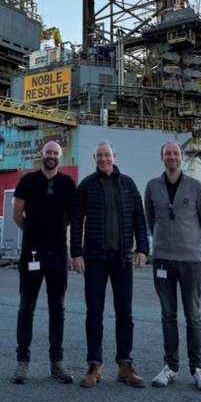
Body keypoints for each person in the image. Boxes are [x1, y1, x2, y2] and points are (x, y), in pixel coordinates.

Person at [71, 141, 149, 388]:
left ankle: (125, 365)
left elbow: (139, 217)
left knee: (125, 313)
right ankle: (94, 365)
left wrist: (143, 250)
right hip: (94, 259)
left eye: (107, 155)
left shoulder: (128, 184)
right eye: (100, 155)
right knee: (94, 313)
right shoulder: (86, 185)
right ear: (94, 158)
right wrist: (76, 254)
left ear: (114, 156)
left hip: (123, 258)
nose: (104, 159)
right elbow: (76, 220)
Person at [144, 141, 201, 392]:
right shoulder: (152, 187)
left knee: (193, 315)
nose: (172, 157)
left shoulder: (195, 187)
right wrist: (163, 242)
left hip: (190, 261)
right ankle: (170, 367)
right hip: (163, 259)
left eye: (175, 153)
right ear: (162, 157)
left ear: (181, 158)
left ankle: (198, 369)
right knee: (167, 314)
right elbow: (150, 219)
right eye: (168, 153)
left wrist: (193, 244)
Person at [11, 141, 76, 384]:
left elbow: (72, 216)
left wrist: (55, 232)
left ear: (60, 157)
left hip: (58, 254)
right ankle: (22, 363)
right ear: (42, 155)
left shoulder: (68, 184)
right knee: (26, 306)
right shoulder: (27, 181)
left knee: (57, 309)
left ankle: (57, 363)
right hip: (32, 254)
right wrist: (32, 234)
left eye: (55, 153)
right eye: (48, 152)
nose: (51, 156)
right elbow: (17, 214)